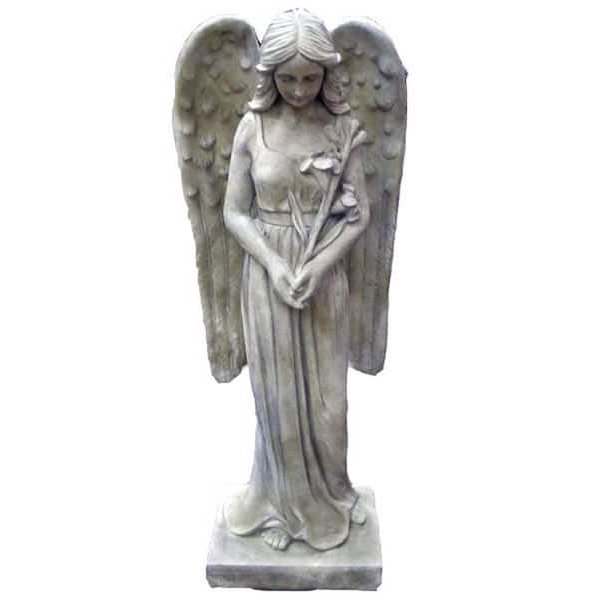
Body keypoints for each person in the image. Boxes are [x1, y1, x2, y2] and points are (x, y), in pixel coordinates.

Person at [222, 8, 371, 552]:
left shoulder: (342, 131)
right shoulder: (252, 128)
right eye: (289, 79)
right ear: (271, 75)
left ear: (326, 75)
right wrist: (276, 263)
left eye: (311, 78)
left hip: (322, 279)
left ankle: (332, 491)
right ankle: (281, 506)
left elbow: (360, 215)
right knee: (278, 399)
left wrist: (317, 266)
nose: (301, 89)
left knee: (329, 404)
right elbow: (234, 212)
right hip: (269, 279)